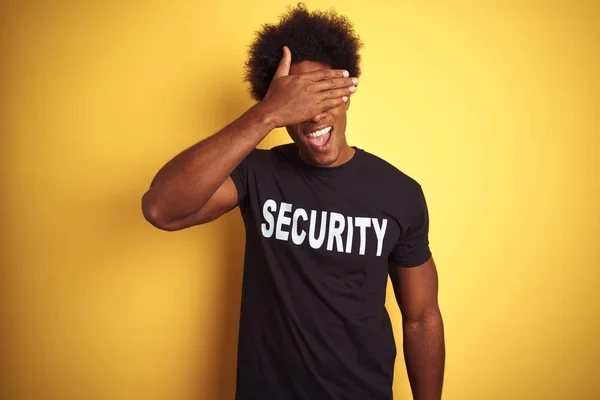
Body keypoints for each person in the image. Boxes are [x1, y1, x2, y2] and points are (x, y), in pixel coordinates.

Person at [142, 4, 445, 399]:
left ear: (347, 92)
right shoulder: (256, 174)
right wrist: (266, 113)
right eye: (296, 103)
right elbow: (161, 209)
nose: (313, 115)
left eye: (322, 95)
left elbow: (421, 319)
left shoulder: (399, 193)